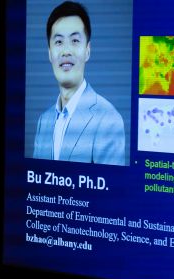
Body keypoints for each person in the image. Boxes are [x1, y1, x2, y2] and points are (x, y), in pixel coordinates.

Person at [32, 1, 125, 165]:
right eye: (59, 42)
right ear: (49, 53)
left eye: (75, 41)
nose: (66, 51)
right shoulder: (43, 121)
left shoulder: (109, 119)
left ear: (87, 51)